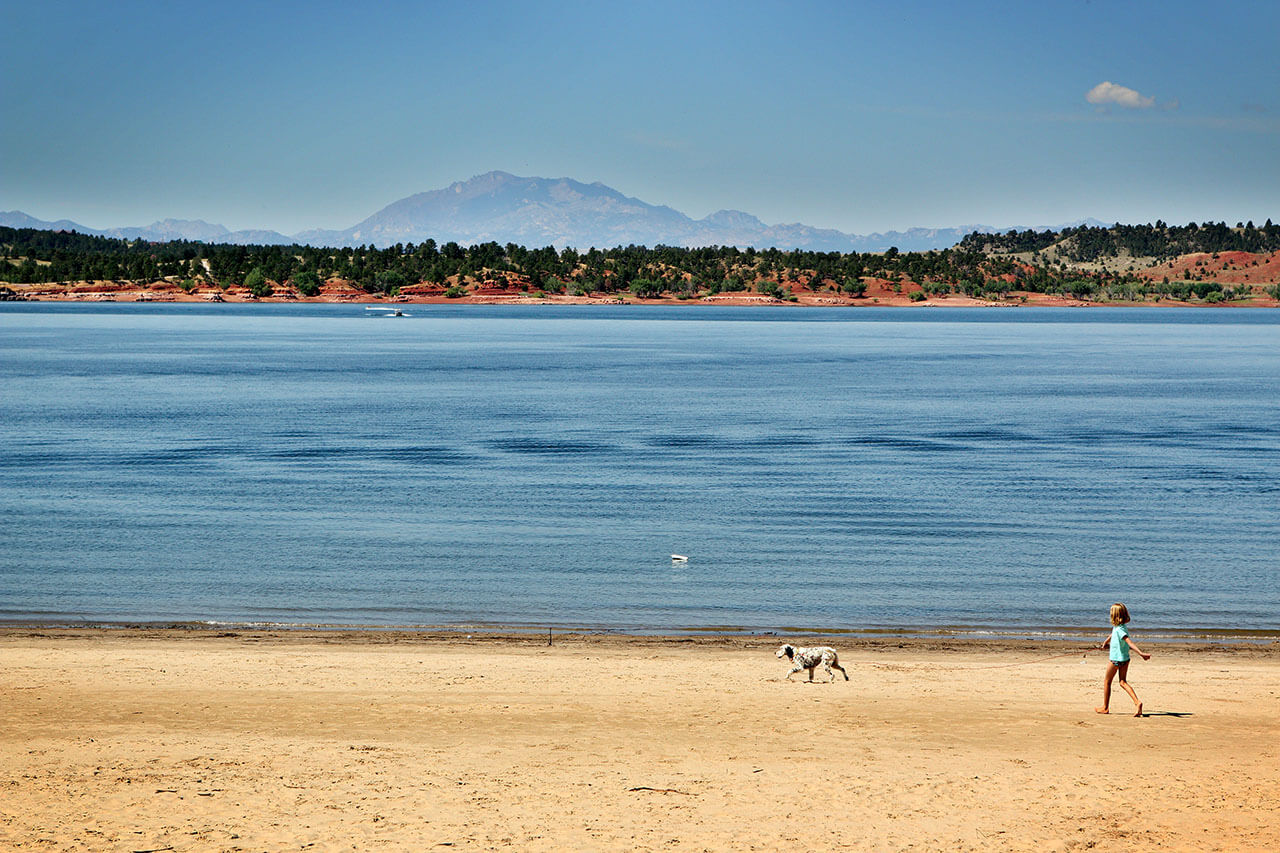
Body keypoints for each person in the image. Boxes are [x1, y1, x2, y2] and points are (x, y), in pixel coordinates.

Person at [1095, 602, 1151, 717]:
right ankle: (1137, 702)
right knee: (1122, 682)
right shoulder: (1120, 627)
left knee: (1107, 681)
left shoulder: (1121, 630)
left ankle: (1105, 707)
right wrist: (1106, 642)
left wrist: (1141, 653)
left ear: (1114, 616)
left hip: (1116, 660)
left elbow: (1129, 642)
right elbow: (1112, 634)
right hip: (1125, 659)